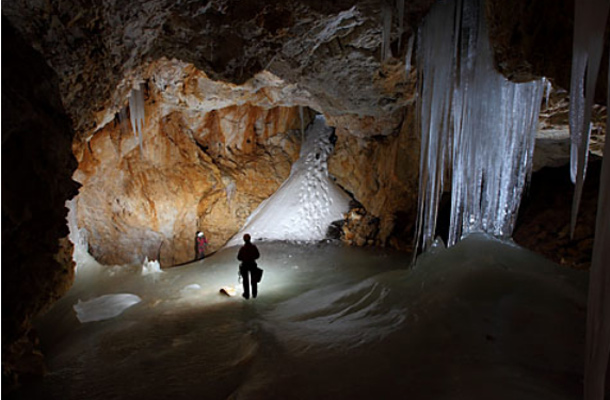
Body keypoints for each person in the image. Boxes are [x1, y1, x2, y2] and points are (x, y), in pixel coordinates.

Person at [237, 233, 260, 299]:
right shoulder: (253, 247)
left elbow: (239, 257)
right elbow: (257, 255)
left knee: (245, 281)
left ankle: (246, 294)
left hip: (244, 265)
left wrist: (244, 258)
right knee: (254, 280)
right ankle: (254, 294)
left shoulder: (243, 248)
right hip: (252, 264)